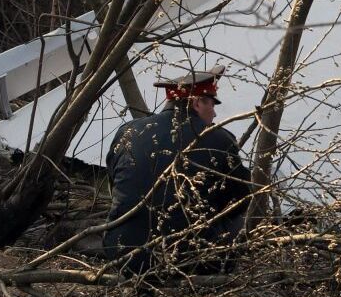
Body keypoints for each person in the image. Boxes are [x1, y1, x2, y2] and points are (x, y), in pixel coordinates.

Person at [103, 65, 251, 276]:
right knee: (235, 217)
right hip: (195, 261)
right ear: (197, 102)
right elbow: (240, 200)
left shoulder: (128, 131)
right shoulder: (218, 139)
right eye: (211, 103)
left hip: (123, 255)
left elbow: (114, 183)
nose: (215, 112)